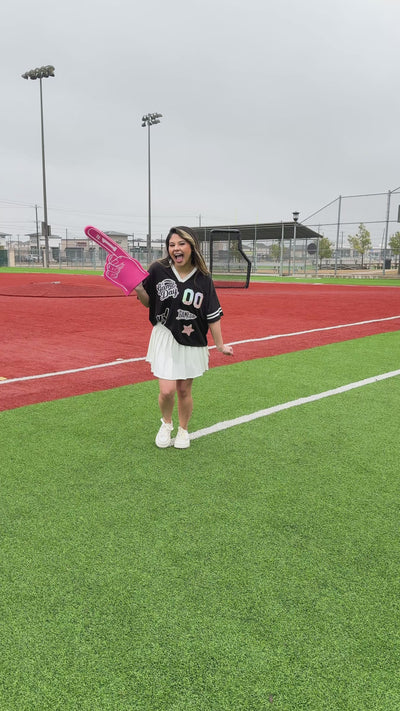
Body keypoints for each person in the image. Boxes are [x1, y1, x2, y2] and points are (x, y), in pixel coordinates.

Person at [134, 226, 233, 449]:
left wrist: (220, 345)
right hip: (165, 335)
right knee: (166, 390)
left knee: (184, 390)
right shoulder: (158, 269)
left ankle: (183, 430)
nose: (176, 249)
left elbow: (212, 315)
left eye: (181, 244)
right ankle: (166, 424)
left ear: (191, 246)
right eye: (171, 245)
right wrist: (139, 289)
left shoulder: (203, 278)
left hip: (192, 338)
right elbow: (148, 302)